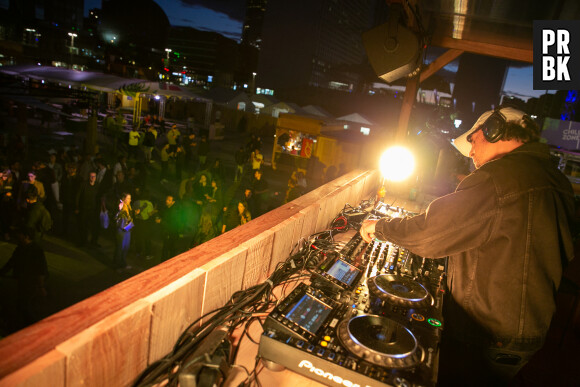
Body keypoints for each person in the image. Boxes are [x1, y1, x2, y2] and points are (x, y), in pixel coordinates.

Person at [359, 107, 576, 386]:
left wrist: (380, 226)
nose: (471, 154)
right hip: (527, 331)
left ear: (493, 130)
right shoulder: (556, 180)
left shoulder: (499, 177)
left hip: (485, 331)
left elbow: (429, 234)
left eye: (472, 142)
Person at [113, 192, 136, 270]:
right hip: (121, 229)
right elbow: (119, 216)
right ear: (124, 199)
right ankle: (116, 265)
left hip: (127, 229)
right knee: (120, 248)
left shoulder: (129, 207)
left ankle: (123, 263)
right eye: (128, 198)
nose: (130, 200)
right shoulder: (121, 205)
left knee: (126, 247)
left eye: (130, 198)